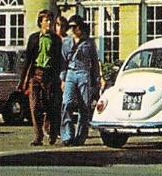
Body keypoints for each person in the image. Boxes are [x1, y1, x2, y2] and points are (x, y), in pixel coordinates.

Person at [18, 9, 65, 146]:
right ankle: (38, 136)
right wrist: (23, 80)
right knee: (34, 106)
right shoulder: (34, 38)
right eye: (46, 20)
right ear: (40, 22)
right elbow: (28, 60)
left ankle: (51, 132)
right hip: (36, 74)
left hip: (50, 75)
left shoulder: (56, 39)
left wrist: (59, 78)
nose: (49, 23)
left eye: (50, 20)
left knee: (51, 105)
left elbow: (58, 60)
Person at [60, 16, 100, 146]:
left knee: (84, 106)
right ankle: (67, 135)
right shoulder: (66, 42)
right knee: (67, 103)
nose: (72, 29)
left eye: (75, 26)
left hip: (84, 73)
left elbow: (94, 62)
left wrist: (96, 80)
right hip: (70, 73)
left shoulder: (89, 42)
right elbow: (63, 61)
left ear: (80, 27)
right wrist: (63, 79)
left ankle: (81, 136)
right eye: (71, 27)